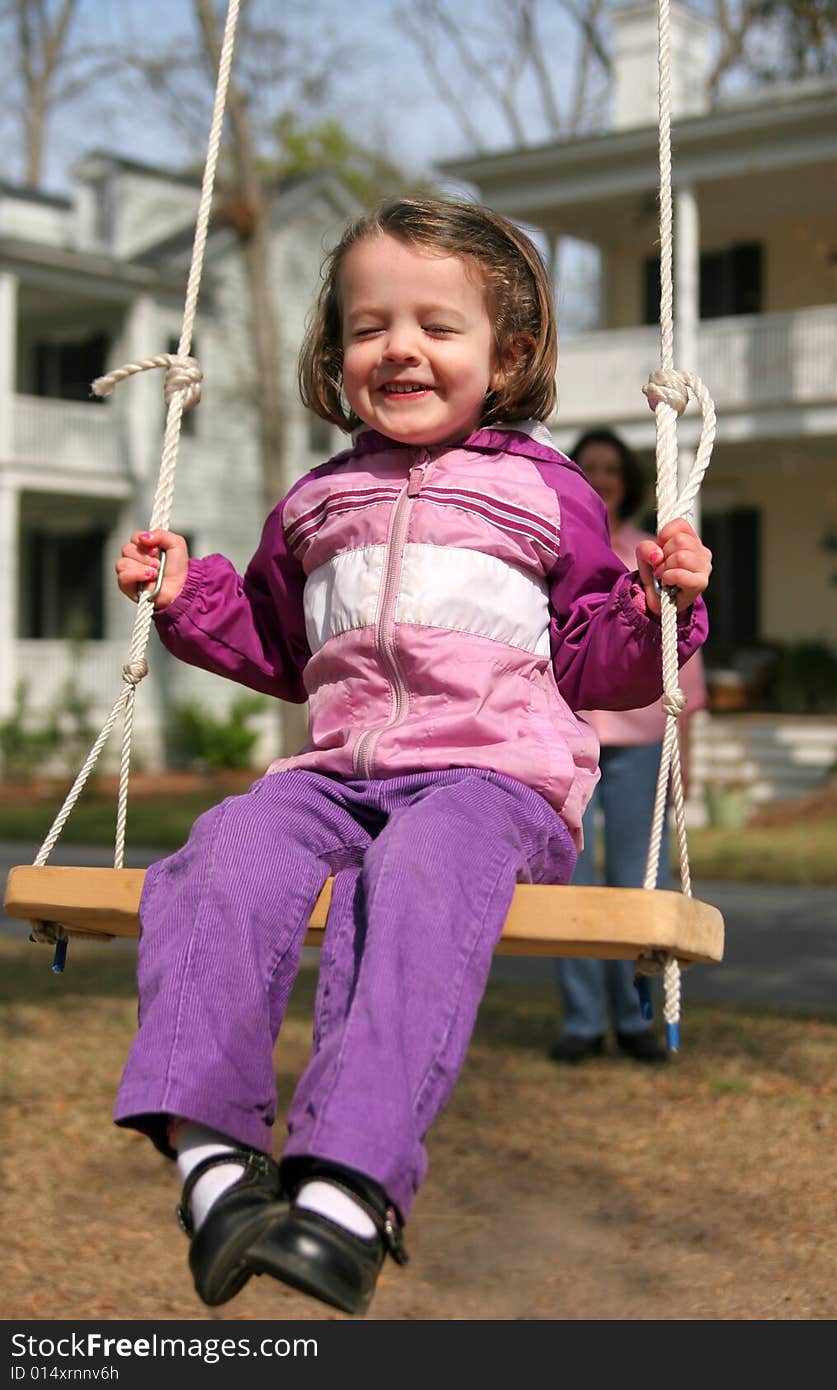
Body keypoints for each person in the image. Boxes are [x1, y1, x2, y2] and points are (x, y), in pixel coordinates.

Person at [113, 198, 712, 1318]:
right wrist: (187, 593)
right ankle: (213, 1169)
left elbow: (597, 662)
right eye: (369, 325)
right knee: (222, 847)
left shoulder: (549, 495)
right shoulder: (315, 503)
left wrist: (660, 609)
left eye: (438, 326)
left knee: (420, 875)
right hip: (337, 776)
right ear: (334, 353)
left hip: (491, 781)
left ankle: (346, 1188)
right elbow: (282, 646)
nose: (400, 349)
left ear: (509, 353)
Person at [548, 428, 709, 1066]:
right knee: (571, 884)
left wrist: (683, 764)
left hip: (642, 739)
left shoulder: (653, 548)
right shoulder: (557, 548)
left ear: (628, 479)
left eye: (612, 468)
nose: (602, 477)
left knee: (636, 882)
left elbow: (684, 669)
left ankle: (636, 1018)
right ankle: (584, 1021)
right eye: (589, 467)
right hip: (568, 740)